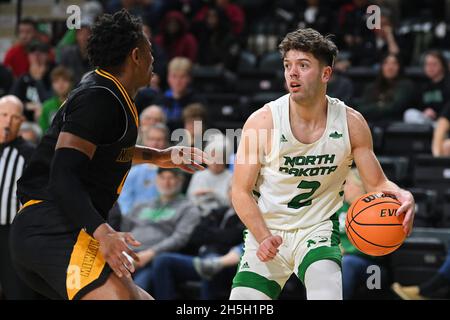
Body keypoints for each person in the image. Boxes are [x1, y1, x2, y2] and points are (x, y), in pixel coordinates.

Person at [10, 9, 208, 301]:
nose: (154, 59)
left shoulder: (108, 91)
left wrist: (158, 157)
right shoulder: (98, 97)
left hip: (68, 227)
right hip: (50, 226)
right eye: (149, 50)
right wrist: (104, 233)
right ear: (136, 56)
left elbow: (104, 152)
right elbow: (63, 175)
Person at [229, 28, 416, 300]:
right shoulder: (262, 122)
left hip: (317, 231)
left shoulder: (352, 123)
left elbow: (377, 184)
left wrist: (401, 193)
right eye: (287, 65)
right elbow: (240, 191)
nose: (292, 73)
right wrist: (263, 235)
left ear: (326, 74)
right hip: (268, 230)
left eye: (303, 65)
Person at [121, 167, 201, 292]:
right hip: (127, 255)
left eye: (171, 178)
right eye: (162, 178)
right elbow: (123, 231)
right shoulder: (141, 205)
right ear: (156, 180)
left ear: (180, 180)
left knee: (136, 290)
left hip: (154, 259)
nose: (166, 182)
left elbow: (180, 238)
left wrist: (150, 253)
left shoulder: (188, 208)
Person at [0, 95, 39, 299]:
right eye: (4, 115)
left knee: (17, 290)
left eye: (14, 117)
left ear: (21, 122)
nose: (7, 122)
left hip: (11, 233)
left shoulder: (29, 155)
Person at [118, 123, 170, 215]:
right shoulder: (133, 172)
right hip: (135, 220)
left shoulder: (171, 172)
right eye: (151, 139)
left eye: (159, 139)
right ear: (145, 141)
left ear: (166, 142)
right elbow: (124, 202)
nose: (155, 143)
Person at [357, 53, 414, 126]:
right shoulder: (372, 87)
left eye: (394, 64)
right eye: (386, 63)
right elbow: (361, 108)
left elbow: (396, 107)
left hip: (395, 125)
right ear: (381, 67)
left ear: (400, 67)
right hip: (371, 124)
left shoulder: (406, 85)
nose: (390, 67)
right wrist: (381, 105)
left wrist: (375, 106)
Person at [404, 51, 450, 124]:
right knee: (409, 113)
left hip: (444, 121)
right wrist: (424, 111)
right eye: (427, 64)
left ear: (442, 66)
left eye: (434, 64)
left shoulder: (447, 84)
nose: (430, 67)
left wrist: (439, 115)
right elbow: (415, 105)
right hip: (427, 121)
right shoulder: (421, 86)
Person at [38, 66, 73, 133]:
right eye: (56, 81)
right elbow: (43, 131)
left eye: (64, 80)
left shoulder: (76, 104)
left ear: (71, 83)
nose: (60, 84)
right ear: (52, 85)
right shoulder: (47, 106)